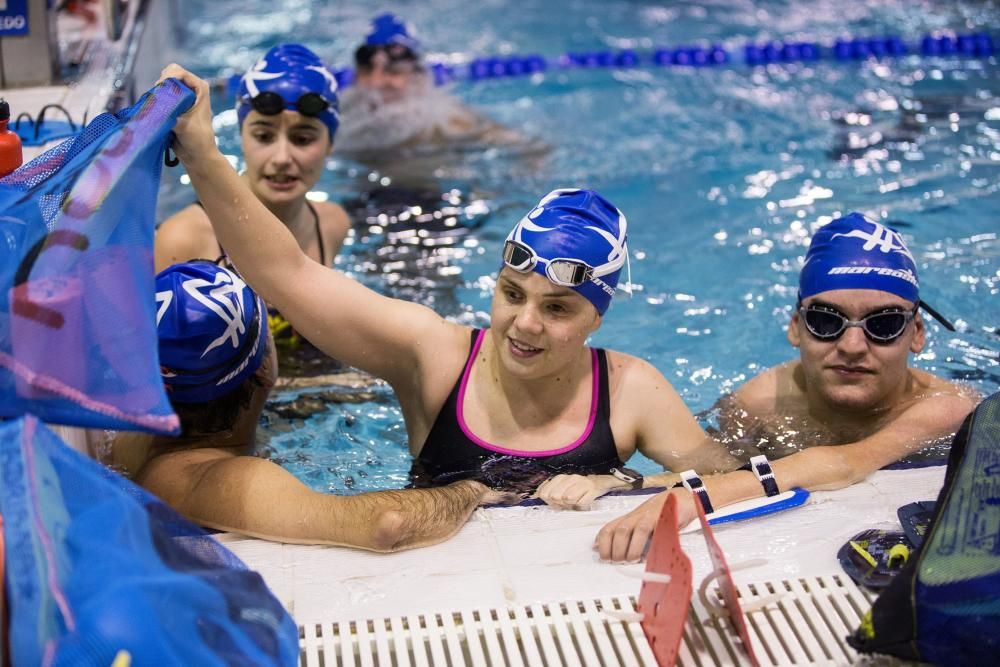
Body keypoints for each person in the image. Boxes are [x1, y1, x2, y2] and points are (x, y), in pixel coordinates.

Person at [157, 63, 742, 501]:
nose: (525, 324)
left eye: (559, 309)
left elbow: (735, 480)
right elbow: (288, 274)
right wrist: (205, 153)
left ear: (598, 316)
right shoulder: (432, 357)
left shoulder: (632, 390)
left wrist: (624, 486)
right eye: (512, 294)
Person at [595, 213, 980, 562]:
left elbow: (849, 461)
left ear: (916, 334)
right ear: (796, 327)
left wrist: (695, 498)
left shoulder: (948, 410)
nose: (852, 346)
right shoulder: (757, 404)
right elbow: (711, 465)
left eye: (884, 325)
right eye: (827, 321)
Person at [92, 261, 511, 551]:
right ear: (263, 368)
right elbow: (388, 524)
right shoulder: (214, 479)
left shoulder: (134, 425)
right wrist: (471, 488)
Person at [336, 13, 544, 179]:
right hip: (362, 191)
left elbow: (532, 148)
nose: (376, 82)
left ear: (416, 76)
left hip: (427, 200)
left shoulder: (446, 118)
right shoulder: (344, 107)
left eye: (393, 72)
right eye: (366, 70)